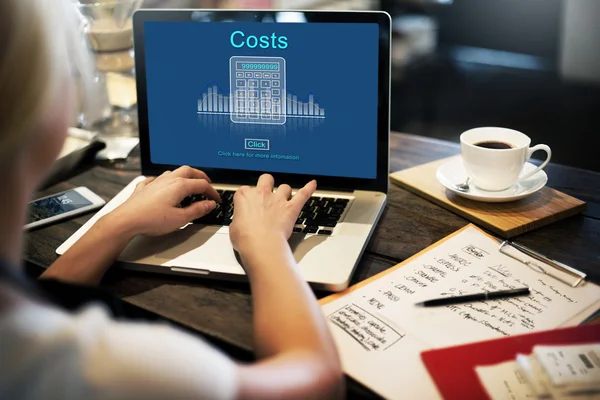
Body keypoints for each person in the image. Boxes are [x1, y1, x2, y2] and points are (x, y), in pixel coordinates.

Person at [0, 1, 342, 399]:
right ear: (44, 112)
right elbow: (317, 381)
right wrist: (266, 245)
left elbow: (45, 304)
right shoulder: (110, 369)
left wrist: (117, 223)